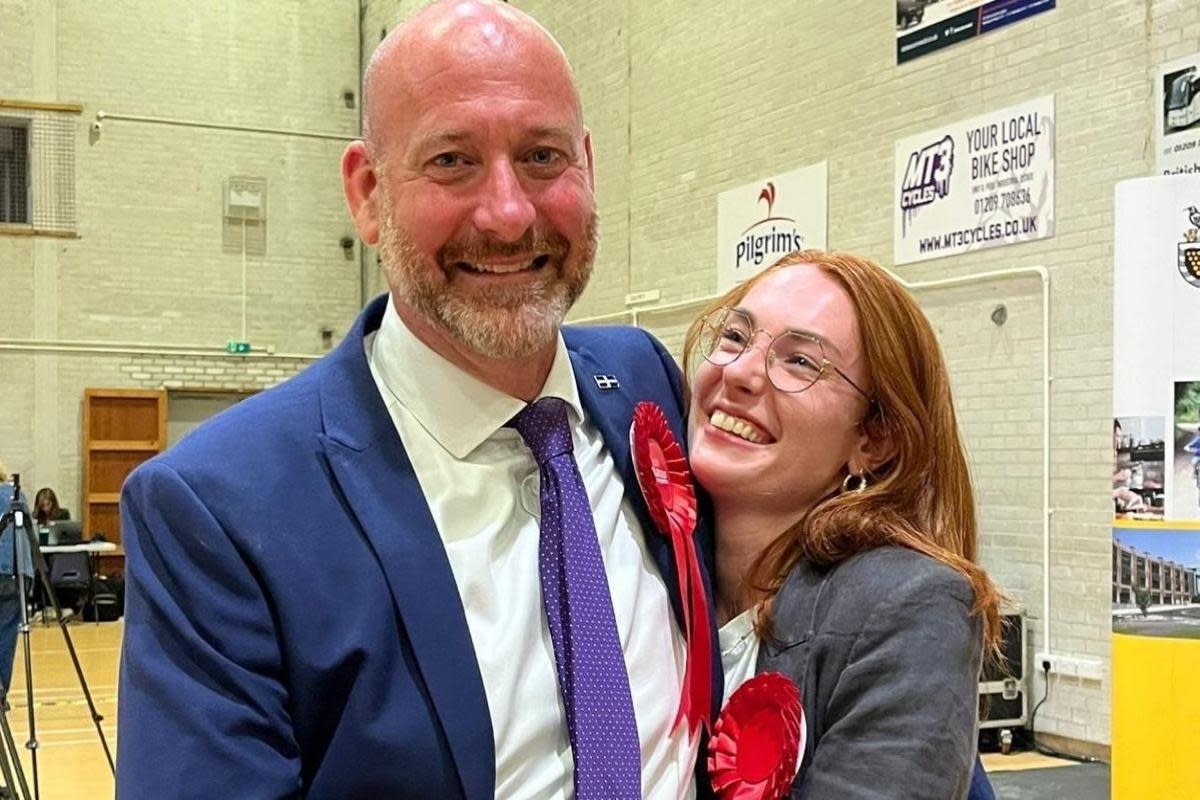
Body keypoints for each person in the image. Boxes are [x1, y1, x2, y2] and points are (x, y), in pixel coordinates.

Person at [116, 2, 718, 798]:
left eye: (542, 156)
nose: (508, 213)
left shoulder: (643, 381)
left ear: (589, 171)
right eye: (452, 161)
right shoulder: (220, 508)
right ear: (367, 193)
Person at [684, 250, 1002, 799]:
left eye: (800, 362)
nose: (737, 373)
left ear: (873, 440)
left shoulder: (914, 606)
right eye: (735, 336)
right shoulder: (642, 565)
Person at [0, 461, 34, 695]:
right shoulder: (16, 494)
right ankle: (1, 694)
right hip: (18, 570)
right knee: (6, 636)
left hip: (8, 566)